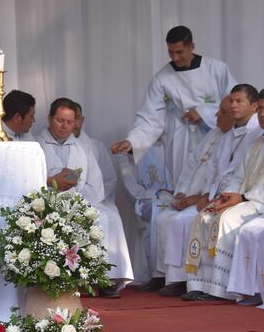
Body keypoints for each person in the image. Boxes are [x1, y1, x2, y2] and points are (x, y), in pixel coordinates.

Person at [112, 26, 236, 188]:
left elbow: (235, 104)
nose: (175, 57)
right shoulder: (162, 79)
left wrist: (204, 112)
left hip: (214, 134)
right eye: (170, 52)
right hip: (180, 140)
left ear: (191, 46)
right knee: (183, 185)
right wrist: (132, 141)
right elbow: (150, 117)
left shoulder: (216, 69)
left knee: (213, 181)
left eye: (179, 52)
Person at [183, 86, 264, 301]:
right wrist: (228, 195)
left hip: (258, 203)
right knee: (207, 214)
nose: (262, 115)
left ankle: (224, 289)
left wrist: (242, 198)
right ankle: (203, 285)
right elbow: (239, 175)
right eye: (262, 109)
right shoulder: (256, 143)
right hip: (247, 199)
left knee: (225, 218)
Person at [39, 98, 126, 296]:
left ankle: (104, 278)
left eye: (70, 122)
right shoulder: (36, 145)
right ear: (50, 118)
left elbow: (95, 183)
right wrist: (52, 182)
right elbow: (28, 178)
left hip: (79, 201)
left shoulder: (82, 147)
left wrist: (76, 198)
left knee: (106, 217)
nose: (65, 127)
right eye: (60, 121)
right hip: (48, 203)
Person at [150, 96, 233, 296]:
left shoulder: (233, 137)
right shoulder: (212, 135)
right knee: (161, 219)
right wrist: (182, 192)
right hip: (198, 196)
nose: (216, 115)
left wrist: (199, 198)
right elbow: (192, 164)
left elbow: (222, 175)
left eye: (222, 112)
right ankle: (163, 275)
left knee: (179, 222)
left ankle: (181, 279)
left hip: (213, 199)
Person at [71, 101, 134, 293]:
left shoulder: (95, 146)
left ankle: (110, 277)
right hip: (69, 199)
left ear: (82, 120)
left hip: (97, 198)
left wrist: (95, 197)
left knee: (111, 217)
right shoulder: (47, 144)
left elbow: (108, 179)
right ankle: (83, 279)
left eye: (75, 120)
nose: (72, 125)